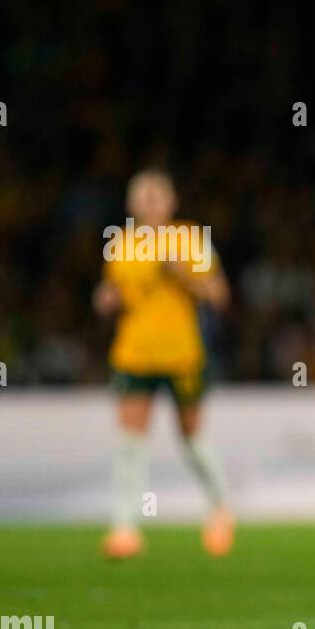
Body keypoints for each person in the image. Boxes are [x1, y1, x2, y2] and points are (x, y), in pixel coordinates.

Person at [93, 169, 234, 559]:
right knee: (130, 442)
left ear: (171, 202)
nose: (151, 203)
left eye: (158, 196)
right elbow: (111, 295)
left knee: (190, 439)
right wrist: (106, 301)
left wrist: (183, 273)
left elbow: (219, 295)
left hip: (181, 355)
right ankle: (124, 528)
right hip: (134, 354)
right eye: (143, 197)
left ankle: (219, 509)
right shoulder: (120, 244)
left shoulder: (191, 239)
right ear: (131, 204)